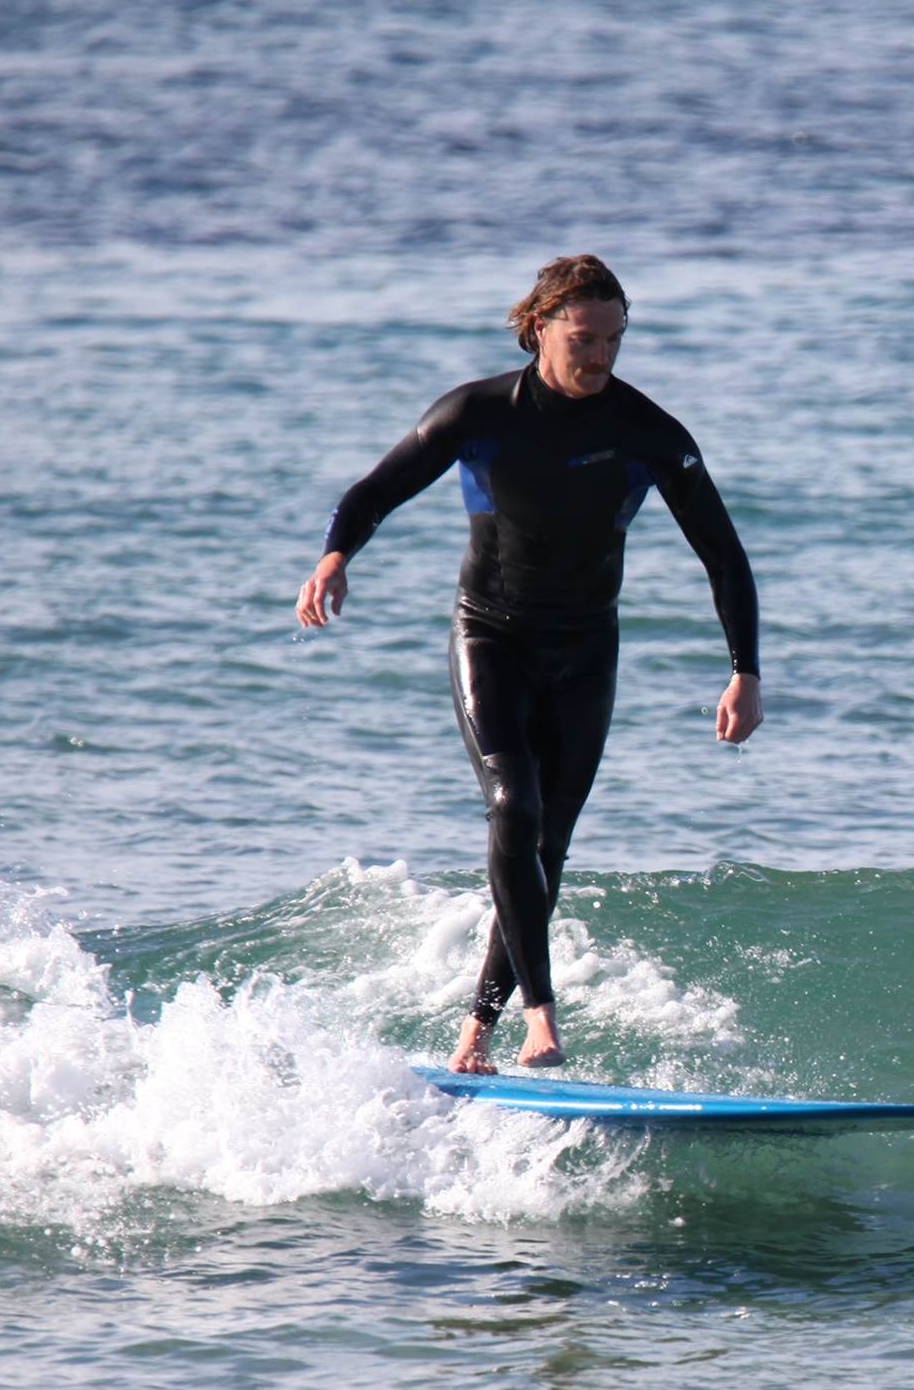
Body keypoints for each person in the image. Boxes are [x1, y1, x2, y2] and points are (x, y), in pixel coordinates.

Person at [294, 255, 761, 1074]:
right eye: (584, 339)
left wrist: (744, 670)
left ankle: (476, 1032)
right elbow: (375, 490)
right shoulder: (478, 414)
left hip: (586, 650)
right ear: (540, 328)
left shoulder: (647, 431)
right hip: (491, 637)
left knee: (548, 847)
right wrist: (336, 556)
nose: (601, 357)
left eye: (614, 340)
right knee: (514, 807)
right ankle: (541, 1018)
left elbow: (723, 554)